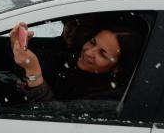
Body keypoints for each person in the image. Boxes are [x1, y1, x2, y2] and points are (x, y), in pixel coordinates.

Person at [9, 19, 143, 102]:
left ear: (117, 67)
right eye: (92, 42)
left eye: (103, 54)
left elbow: (52, 117)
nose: (89, 52)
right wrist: (19, 49)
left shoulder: (109, 98)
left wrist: (34, 73)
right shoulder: (71, 61)